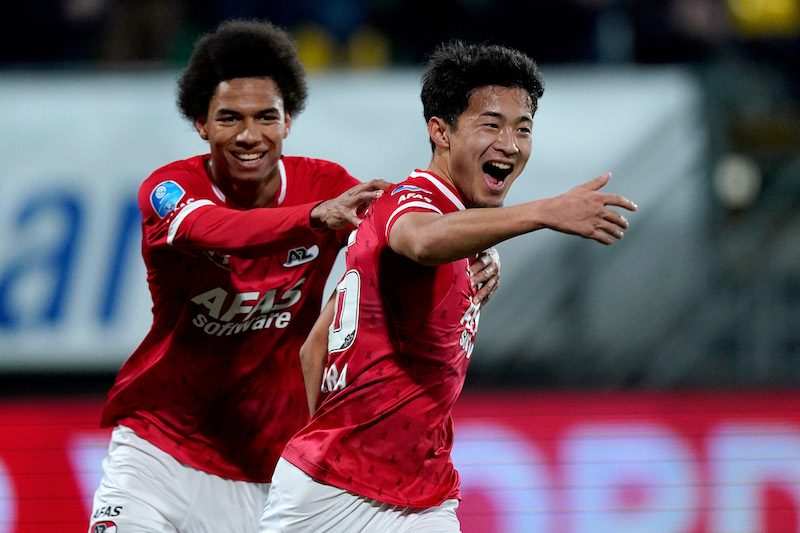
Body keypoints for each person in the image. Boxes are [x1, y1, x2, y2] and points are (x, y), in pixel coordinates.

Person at [87, 19, 503, 533]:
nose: (249, 135)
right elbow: (214, 228)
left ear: (288, 122)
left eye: (266, 116)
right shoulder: (169, 189)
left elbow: (411, 222)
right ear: (201, 124)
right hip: (158, 455)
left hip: (268, 472)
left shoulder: (325, 184)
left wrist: (478, 248)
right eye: (229, 118)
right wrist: (312, 217)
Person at [259, 40, 637, 532]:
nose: (510, 144)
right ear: (440, 131)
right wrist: (544, 211)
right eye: (491, 125)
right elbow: (421, 240)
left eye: (523, 129)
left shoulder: (462, 231)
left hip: (423, 495)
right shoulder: (410, 200)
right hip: (331, 497)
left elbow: (315, 348)